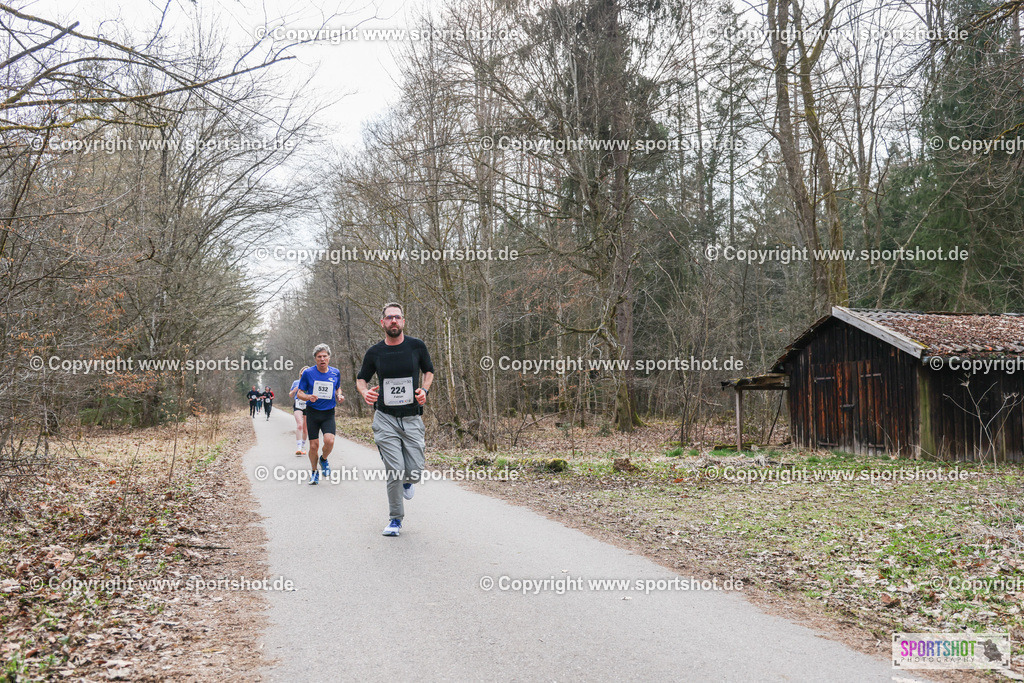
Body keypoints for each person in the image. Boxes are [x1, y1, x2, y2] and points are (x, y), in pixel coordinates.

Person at [356, 302, 434, 537]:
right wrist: (365, 392)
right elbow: (361, 379)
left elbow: (428, 371)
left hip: (411, 418)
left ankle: (409, 482)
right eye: (389, 318)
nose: (393, 321)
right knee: (395, 471)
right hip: (385, 418)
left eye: (397, 317)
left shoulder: (416, 346)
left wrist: (424, 391)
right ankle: (395, 520)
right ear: (382, 322)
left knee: (414, 471)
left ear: (403, 321)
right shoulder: (374, 352)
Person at [295, 345, 345, 485]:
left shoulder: (335, 373)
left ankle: (323, 459)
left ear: (329, 357)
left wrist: (339, 396)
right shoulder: (308, 373)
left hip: (328, 413)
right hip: (313, 413)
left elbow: (338, 387)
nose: (322, 359)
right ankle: (314, 472)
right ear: (315, 359)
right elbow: (300, 393)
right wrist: (308, 396)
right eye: (319, 357)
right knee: (313, 446)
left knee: (329, 441)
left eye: (324, 356)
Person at [289, 367, 310, 455]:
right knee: (300, 425)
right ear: (300, 373)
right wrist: (294, 391)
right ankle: (298, 448)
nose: (304, 372)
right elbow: (290, 395)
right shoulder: (296, 382)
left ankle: (303, 446)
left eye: (306, 371)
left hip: (307, 405)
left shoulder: (311, 382)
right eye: (302, 370)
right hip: (297, 404)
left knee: (305, 428)